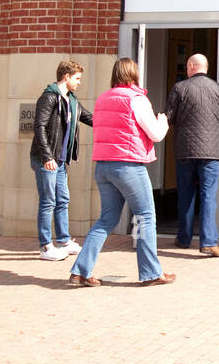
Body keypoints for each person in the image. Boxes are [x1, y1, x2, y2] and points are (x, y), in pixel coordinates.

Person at [70, 58, 172, 287]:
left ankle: (80, 271)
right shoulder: (137, 99)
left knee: (106, 219)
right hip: (128, 166)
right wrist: (163, 121)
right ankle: (151, 273)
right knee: (146, 216)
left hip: (103, 166)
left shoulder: (103, 98)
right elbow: (155, 134)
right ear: (134, 74)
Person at [165, 53, 219, 256]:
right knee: (208, 196)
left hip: (184, 150)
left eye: (187, 66)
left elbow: (169, 117)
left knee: (185, 195)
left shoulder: (179, 88)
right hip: (210, 152)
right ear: (206, 67)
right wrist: (214, 140)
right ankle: (209, 242)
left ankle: (184, 238)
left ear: (192, 66)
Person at [30, 59, 93, 261]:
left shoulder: (71, 100)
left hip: (60, 160)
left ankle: (65, 241)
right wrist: (46, 156)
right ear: (66, 77)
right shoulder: (49, 97)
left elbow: (88, 117)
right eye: (77, 78)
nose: (79, 82)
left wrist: (112, 122)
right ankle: (45, 246)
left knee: (62, 200)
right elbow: (39, 127)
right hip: (46, 159)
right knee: (48, 201)